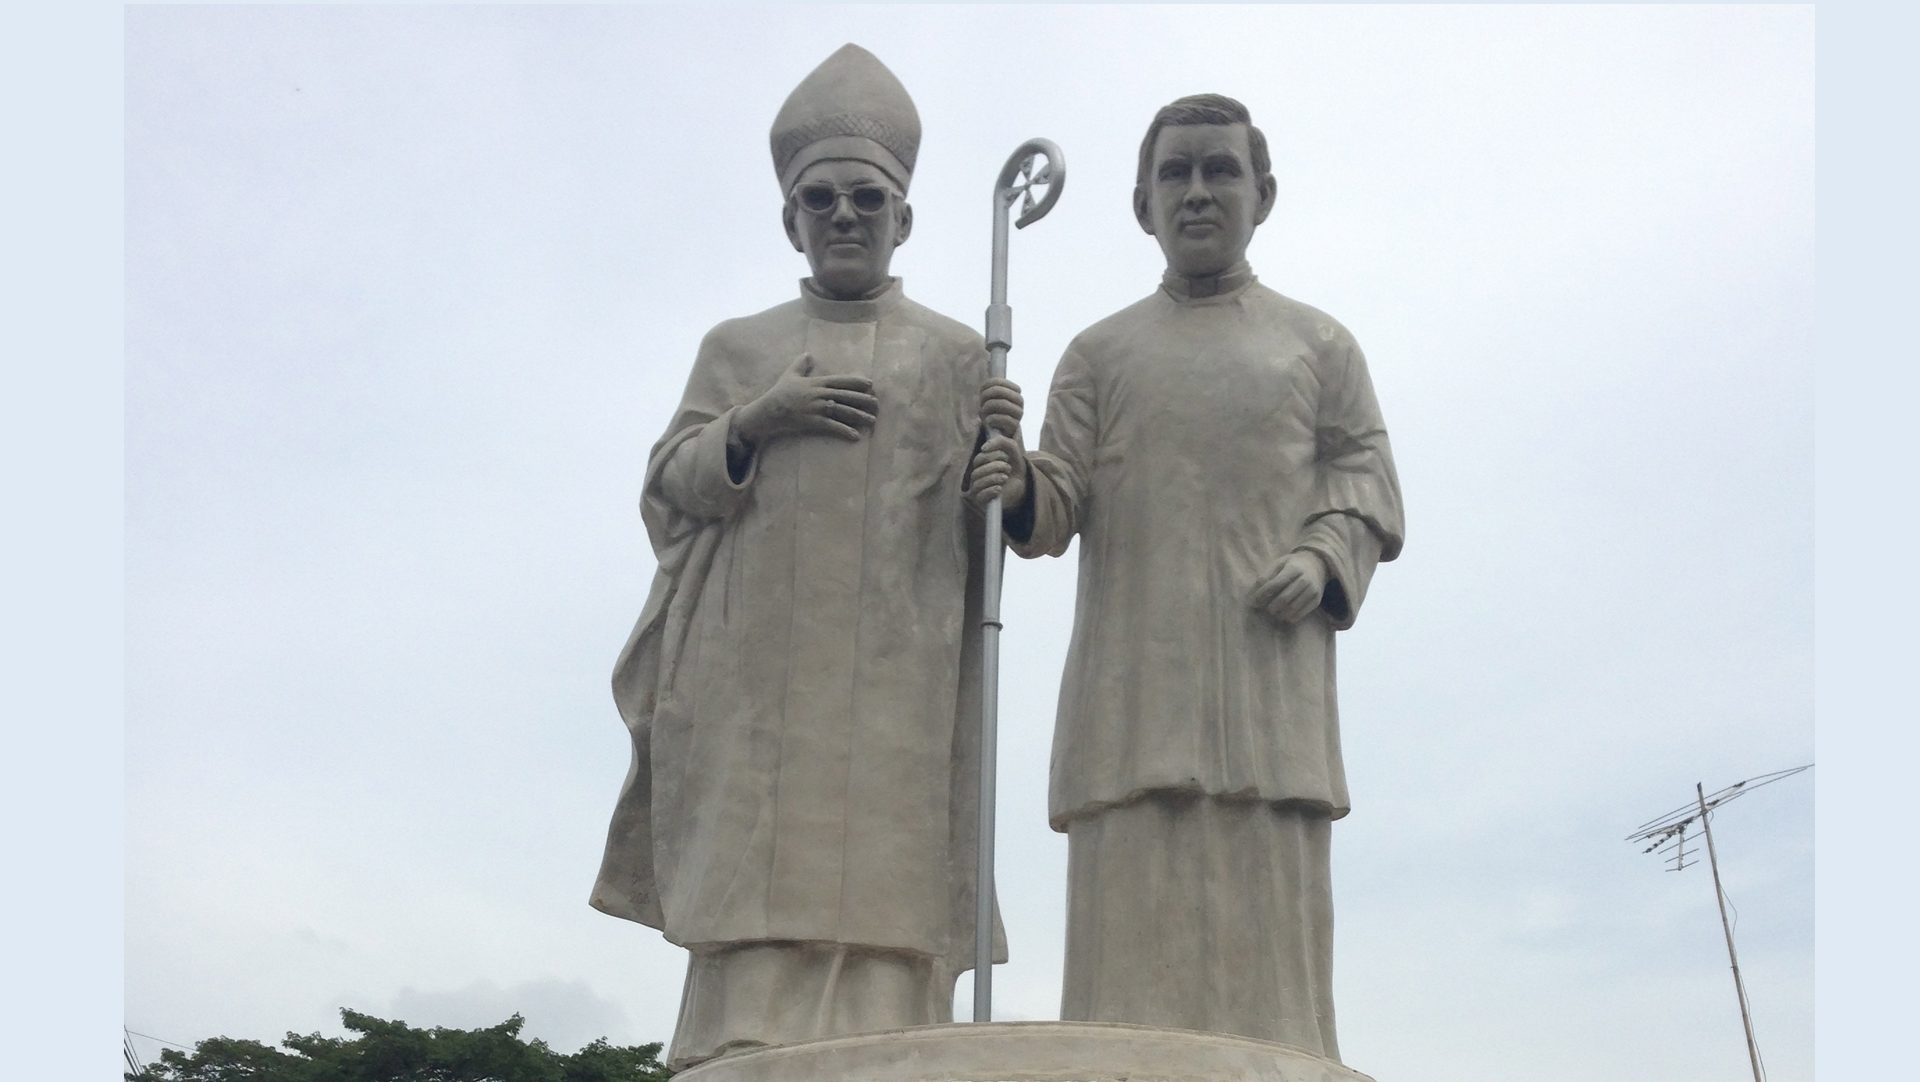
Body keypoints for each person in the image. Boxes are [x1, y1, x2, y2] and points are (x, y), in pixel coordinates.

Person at [592, 43, 1003, 1070]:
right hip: (757, 680)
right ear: (792, 220)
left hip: (898, 679)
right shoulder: (739, 344)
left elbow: (1000, 525)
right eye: (821, 200)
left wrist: (1007, 455)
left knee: (888, 892)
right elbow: (665, 485)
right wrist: (755, 420)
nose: (846, 216)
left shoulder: (960, 353)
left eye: (868, 197)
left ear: (903, 216)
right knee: (756, 888)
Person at [968, 93, 1403, 1060]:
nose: (1198, 193)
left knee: (1270, 940)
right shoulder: (1098, 355)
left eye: (1220, 171)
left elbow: (1365, 480)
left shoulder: (1319, 346)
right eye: (1176, 173)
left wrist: (1322, 552)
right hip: (1133, 696)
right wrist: (1015, 479)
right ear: (1141, 202)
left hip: (1268, 682)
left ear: (1264, 193)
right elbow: (1056, 504)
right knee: (1133, 948)